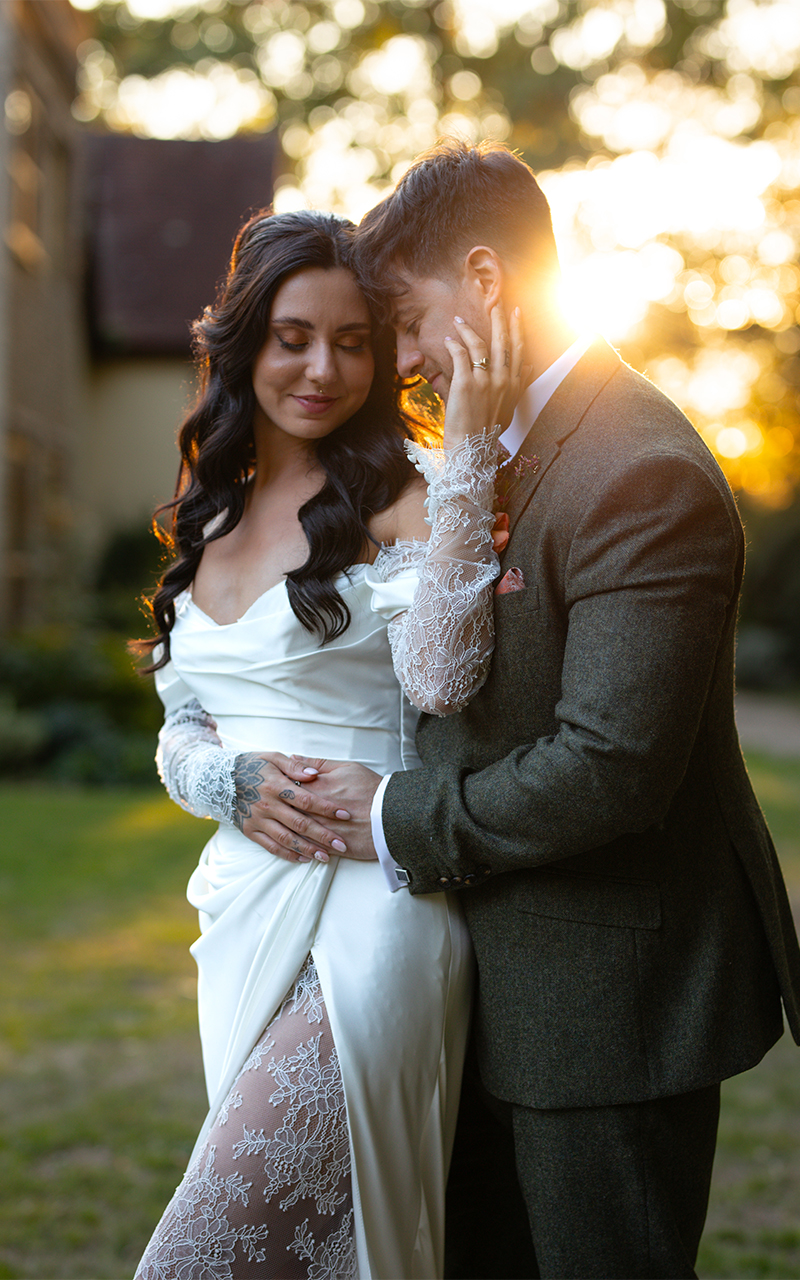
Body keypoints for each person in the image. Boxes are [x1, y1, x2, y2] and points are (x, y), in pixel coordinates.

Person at [256, 142, 800, 1279]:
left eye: (405, 319)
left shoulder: (636, 468)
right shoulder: (479, 448)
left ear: (489, 282)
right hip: (473, 984)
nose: (397, 359)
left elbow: (608, 765)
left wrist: (393, 817)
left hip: (603, 1004)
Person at [133, 206, 524, 1279]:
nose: (323, 367)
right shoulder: (209, 514)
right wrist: (228, 778)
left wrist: (474, 448)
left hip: (368, 921)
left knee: (200, 1259)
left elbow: (445, 678)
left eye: (354, 340)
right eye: (294, 335)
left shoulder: (418, 490)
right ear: (244, 341)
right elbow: (180, 732)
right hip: (243, 912)